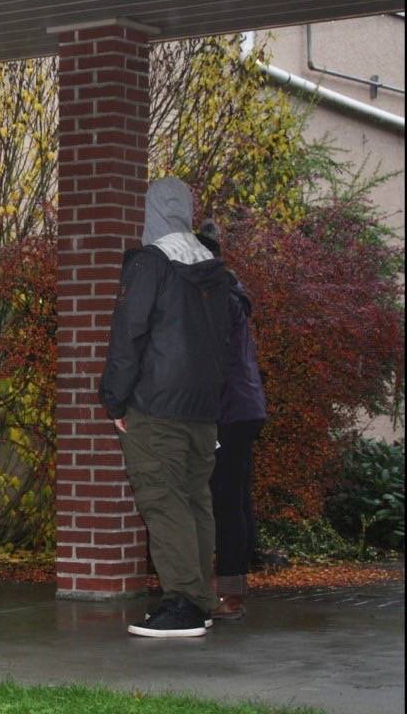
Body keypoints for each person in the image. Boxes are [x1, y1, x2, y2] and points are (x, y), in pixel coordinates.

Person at [99, 176, 234, 638]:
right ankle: (199, 599)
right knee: (195, 502)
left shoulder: (150, 264)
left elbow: (129, 335)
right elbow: (226, 345)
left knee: (163, 500)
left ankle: (182, 604)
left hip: (155, 406)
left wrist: (114, 398)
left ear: (150, 213)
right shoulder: (214, 270)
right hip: (202, 410)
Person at [197, 220, 267, 621]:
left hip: (230, 412)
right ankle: (230, 586)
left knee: (225, 501)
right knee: (232, 499)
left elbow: (211, 359)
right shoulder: (229, 292)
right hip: (240, 408)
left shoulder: (220, 295)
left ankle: (231, 593)